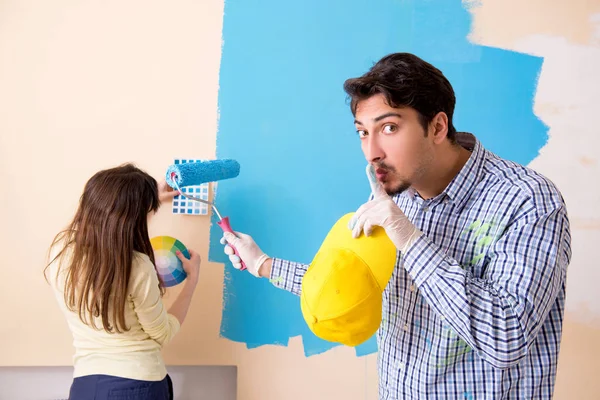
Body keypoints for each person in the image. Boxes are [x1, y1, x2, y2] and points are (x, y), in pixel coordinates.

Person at [221, 53, 572, 399]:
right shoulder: (395, 192)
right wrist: (262, 264)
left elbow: (507, 336)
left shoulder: (529, 201)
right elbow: (358, 287)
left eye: (389, 127)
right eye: (362, 132)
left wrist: (410, 239)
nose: (371, 151)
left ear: (437, 127)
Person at [45, 163, 201, 400]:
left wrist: (144, 199)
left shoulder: (60, 252)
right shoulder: (137, 267)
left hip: (86, 387)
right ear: (134, 217)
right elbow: (163, 334)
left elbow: (109, 218)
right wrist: (192, 280)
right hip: (137, 386)